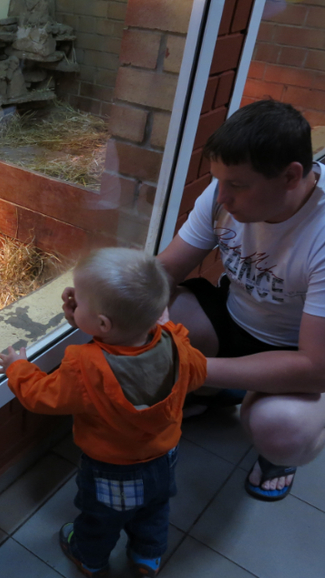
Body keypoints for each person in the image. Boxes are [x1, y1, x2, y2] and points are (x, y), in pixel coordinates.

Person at [0, 247, 207, 577]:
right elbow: (198, 371)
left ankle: (89, 558)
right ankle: (147, 557)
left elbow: (40, 396)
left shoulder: (84, 365)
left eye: (80, 299)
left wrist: (17, 367)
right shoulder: (177, 344)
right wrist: (86, 313)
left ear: (103, 323)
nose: (73, 299)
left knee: (101, 517)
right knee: (154, 509)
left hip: (112, 469)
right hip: (164, 457)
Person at [157, 99, 325, 501]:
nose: (222, 196)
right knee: (142, 316)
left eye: (238, 184)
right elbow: (163, 272)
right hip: (235, 317)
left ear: (291, 176)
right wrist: (109, 299)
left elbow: (314, 367)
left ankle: (281, 453)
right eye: (218, 180)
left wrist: (192, 368)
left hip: (299, 350)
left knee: (281, 427)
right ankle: (224, 389)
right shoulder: (221, 196)